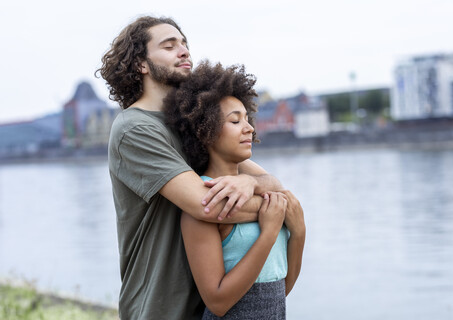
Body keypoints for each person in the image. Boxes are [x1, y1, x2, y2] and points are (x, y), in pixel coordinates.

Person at [97, 15, 289, 320]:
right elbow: (207, 206)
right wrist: (279, 211)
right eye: (169, 46)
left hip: (208, 307)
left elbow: (273, 182)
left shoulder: (188, 126)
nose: (184, 51)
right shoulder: (134, 129)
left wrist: (253, 185)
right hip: (160, 308)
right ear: (140, 64)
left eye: (184, 44)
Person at [164, 61, 306, 319]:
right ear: (205, 130)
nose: (249, 127)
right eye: (235, 120)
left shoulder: (261, 192)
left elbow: (280, 290)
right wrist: (270, 232)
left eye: (247, 119)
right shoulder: (205, 200)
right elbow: (218, 302)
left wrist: (299, 233)